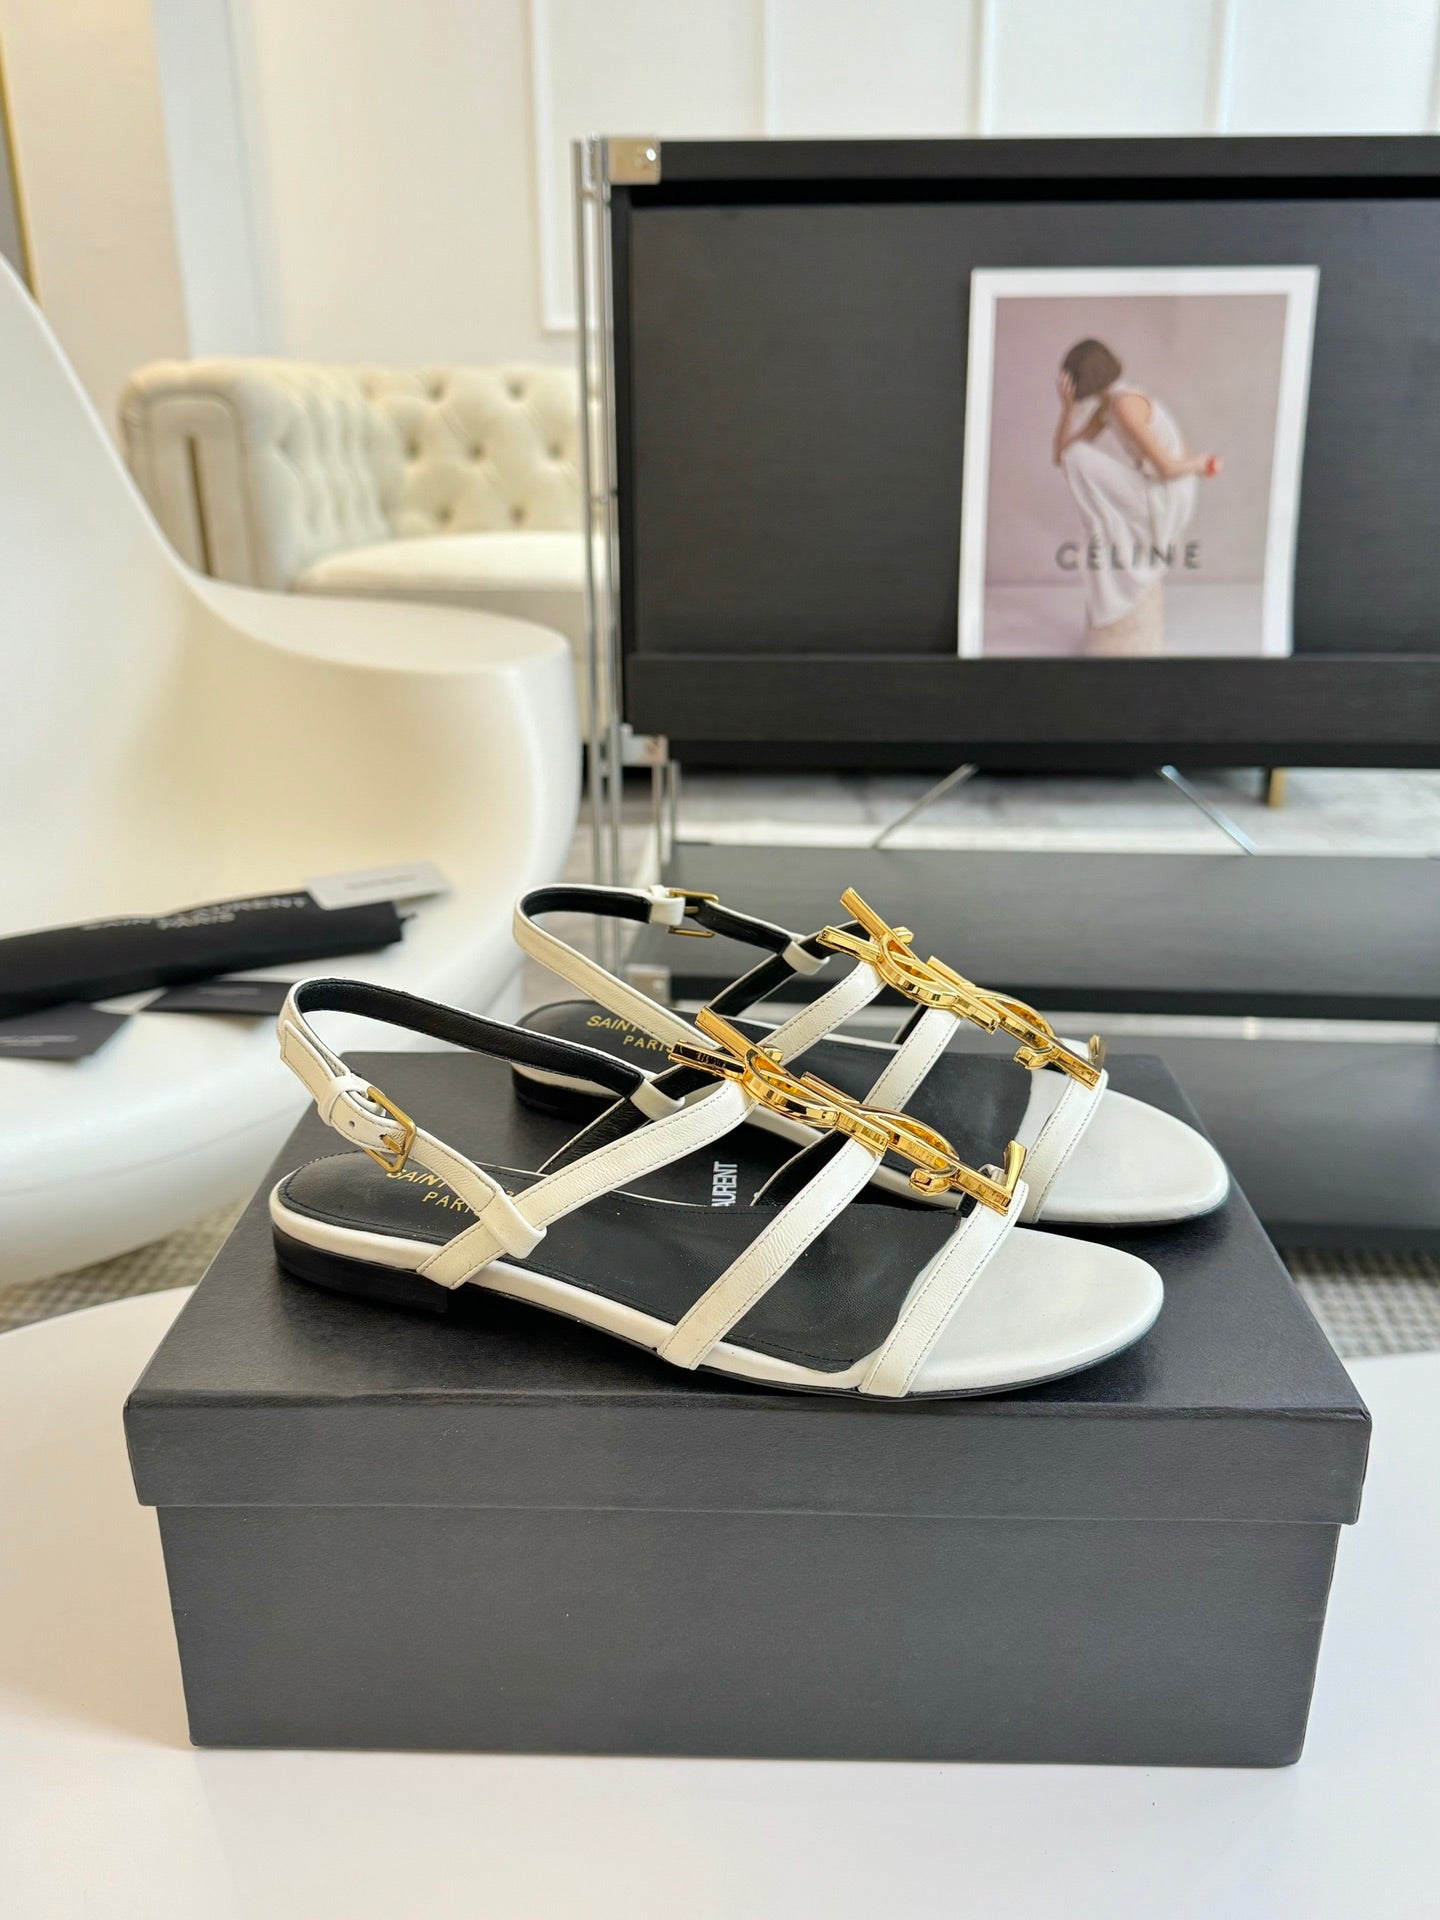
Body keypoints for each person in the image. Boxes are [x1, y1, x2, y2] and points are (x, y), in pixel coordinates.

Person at [1052, 337, 1222, 655]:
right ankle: (1108, 527)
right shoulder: (1108, 407)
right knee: (1075, 456)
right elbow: (1062, 457)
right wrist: (1067, 411)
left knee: (1078, 456)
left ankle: (1122, 591)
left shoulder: (1124, 404)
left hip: (1168, 493)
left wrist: (1200, 464)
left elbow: (1167, 468)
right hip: (1154, 485)